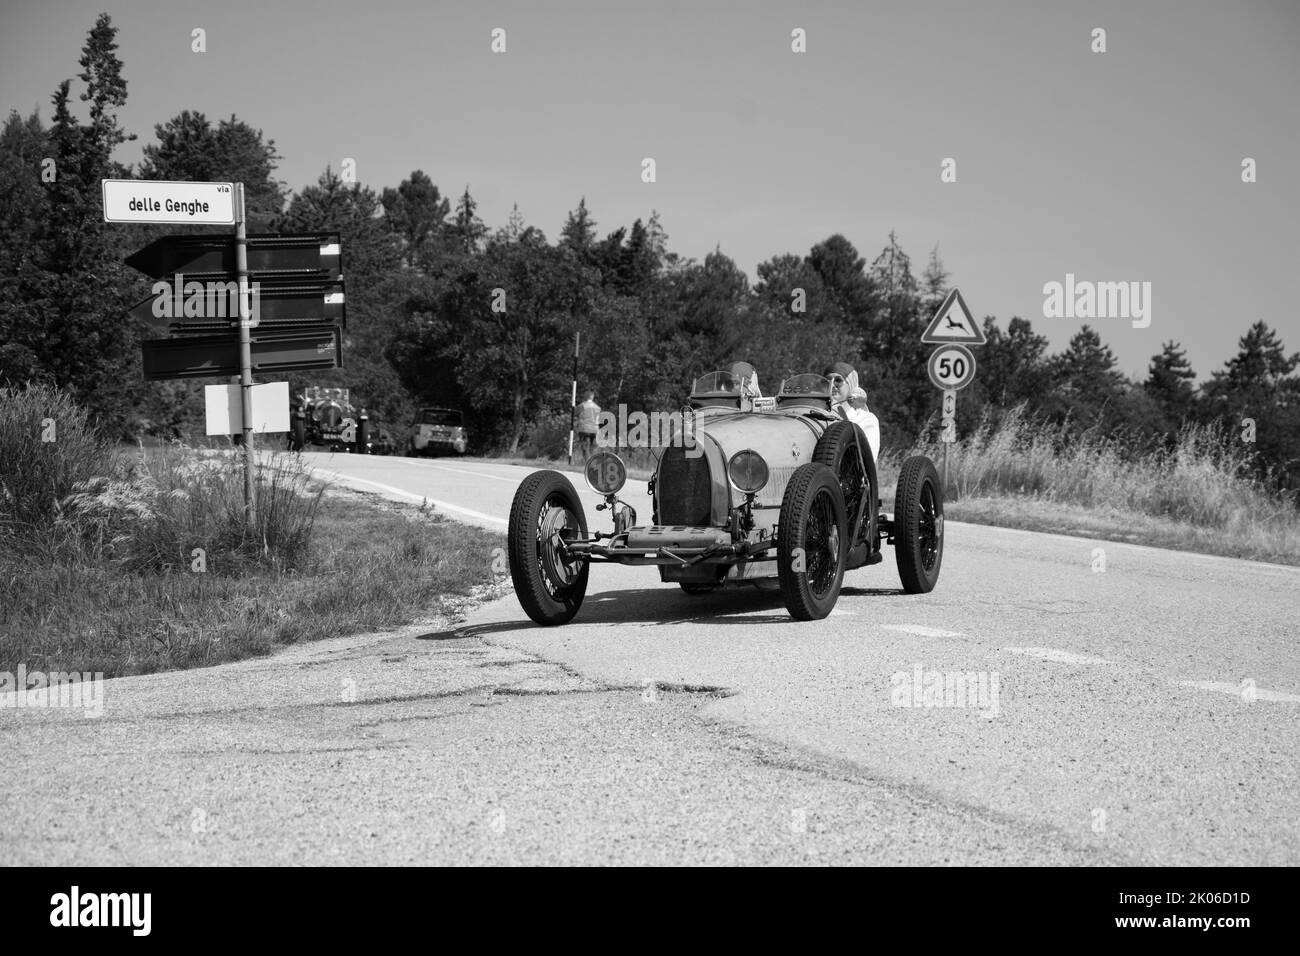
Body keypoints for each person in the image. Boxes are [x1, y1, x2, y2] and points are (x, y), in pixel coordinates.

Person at [823, 362, 881, 462]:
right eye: (827, 381)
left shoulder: (866, 420)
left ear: (852, 385)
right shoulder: (817, 416)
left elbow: (866, 461)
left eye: (838, 380)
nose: (832, 385)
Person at [575, 390, 600, 457]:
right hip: (595, 429)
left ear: (585, 397)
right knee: (593, 447)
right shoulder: (597, 407)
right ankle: (593, 461)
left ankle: (586, 462)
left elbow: (575, 413)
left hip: (584, 428)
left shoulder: (582, 405)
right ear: (592, 397)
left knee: (584, 446)